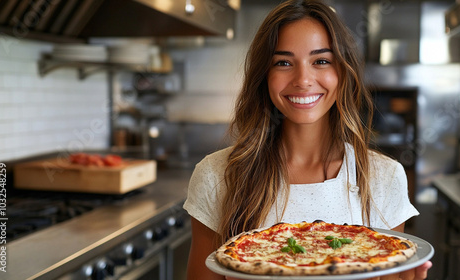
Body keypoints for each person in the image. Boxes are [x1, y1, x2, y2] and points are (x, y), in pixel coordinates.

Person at [183, 0, 432, 279]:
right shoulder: (217, 175)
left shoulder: (384, 177)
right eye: (284, 62)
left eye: (321, 61)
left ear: (342, 72)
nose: (303, 79)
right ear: (264, 75)